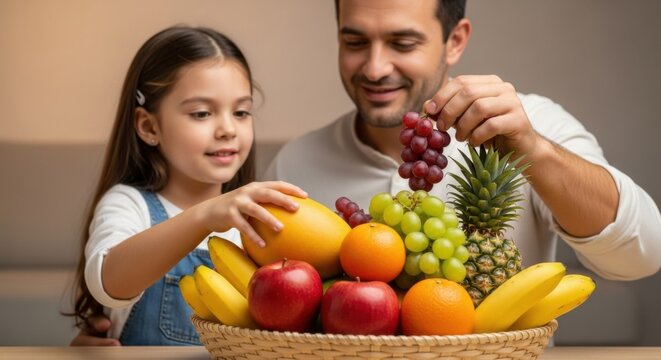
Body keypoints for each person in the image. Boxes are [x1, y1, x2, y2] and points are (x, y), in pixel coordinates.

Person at [263, 0, 661, 280]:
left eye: (403, 43)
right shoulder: (295, 162)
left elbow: (643, 254)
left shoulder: (529, 123)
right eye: (354, 42)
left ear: (455, 41)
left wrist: (534, 150)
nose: (375, 67)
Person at [67, 25, 307, 346]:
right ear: (149, 126)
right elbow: (107, 282)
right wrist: (204, 216)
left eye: (241, 112)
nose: (227, 129)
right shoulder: (129, 204)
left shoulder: (259, 223)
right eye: (202, 113)